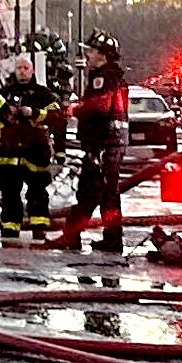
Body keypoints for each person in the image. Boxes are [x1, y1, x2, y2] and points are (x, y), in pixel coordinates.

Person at [63, 36, 131, 254]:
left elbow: (101, 106)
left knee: (94, 191)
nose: (88, 56)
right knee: (103, 192)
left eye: (91, 51)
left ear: (102, 54)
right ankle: (109, 237)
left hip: (103, 142)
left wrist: (75, 109)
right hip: (110, 142)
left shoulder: (102, 77)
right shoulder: (115, 76)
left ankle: (75, 235)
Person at [0, 58, 59, 245]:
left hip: (35, 152)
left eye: (26, 68)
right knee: (9, 193)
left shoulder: (43, 94)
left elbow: (57, 117)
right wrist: (7, 117)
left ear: (32, 70)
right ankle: (10, 228)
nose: (22, 71)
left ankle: (39, 228)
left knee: (37, 193)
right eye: (19, 68)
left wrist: (34, 113)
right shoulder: (5, 93)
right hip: (9, 153)